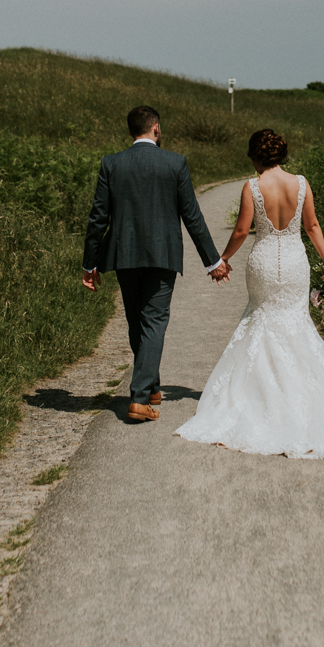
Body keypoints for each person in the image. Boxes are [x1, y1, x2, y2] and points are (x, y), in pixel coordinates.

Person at [176, 129, 324, 458]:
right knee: (296, 324)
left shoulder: (254, 187)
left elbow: (243, 229)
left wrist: (222, 260)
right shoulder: (300, 184)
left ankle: (260, 396)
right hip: (295, 263)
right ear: (281, 155)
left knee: (260, 321)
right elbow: (312, 226)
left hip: (263, 264)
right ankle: (303, 399)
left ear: (257, 156)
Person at [82, 106, 230, 423]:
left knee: (138, 321)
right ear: (157, 129)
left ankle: (151, 388)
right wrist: (213, 261)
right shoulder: (174, 162)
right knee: (153, 321)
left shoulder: (112, 163)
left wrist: (89, 263)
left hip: (124, 255)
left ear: (131, 131)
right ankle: (138, 399)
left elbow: (98, 218)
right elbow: (192, 215)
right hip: (163, 255)